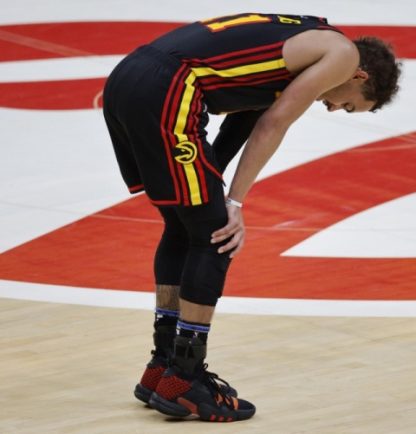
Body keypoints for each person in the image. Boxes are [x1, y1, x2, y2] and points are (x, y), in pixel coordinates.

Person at [102, 12, 400, 422]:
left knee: (186, 225)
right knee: (217, 235)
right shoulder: (342, 54)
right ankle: (185, 378)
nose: (333, 108)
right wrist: (234, 204)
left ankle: (163, 367)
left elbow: (248, 117)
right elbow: (275, 122)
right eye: (347, 105)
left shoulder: (304, 43)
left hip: (129, 78)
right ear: (359, 76)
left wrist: (216, 187)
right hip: (169, 88)